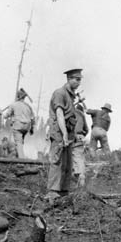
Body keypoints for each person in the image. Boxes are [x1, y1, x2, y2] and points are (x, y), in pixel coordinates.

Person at [46, 68, 83, 200]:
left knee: (68, 162)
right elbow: (59, 114)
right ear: (69, 79)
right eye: (77, 80)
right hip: (59, 132)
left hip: (68, 132)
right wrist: (64, 134)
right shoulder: (59, 93)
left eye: (80, 80)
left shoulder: (71, 95)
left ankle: (63, 190)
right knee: (57, 160)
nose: (79, 83)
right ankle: (52, 191)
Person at [0, 88, 35, 158]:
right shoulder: (28, 106)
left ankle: (21, 160)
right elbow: (32, 118)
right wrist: (32, 129)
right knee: (21, 142)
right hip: (27, 127)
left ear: (18, 97)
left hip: (18, 126)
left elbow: (6, 116)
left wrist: (1, 113)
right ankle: (18, 156)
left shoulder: (13, 105)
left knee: (18, 143)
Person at [71, 96, 89, 186]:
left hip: (70, 137)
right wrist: (81, 135)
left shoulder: (68, 112)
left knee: (69, 158)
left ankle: (76, 176)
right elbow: (87, 129)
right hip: (80, 137)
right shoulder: (81, 114)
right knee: (79, 158)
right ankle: (81, 176)